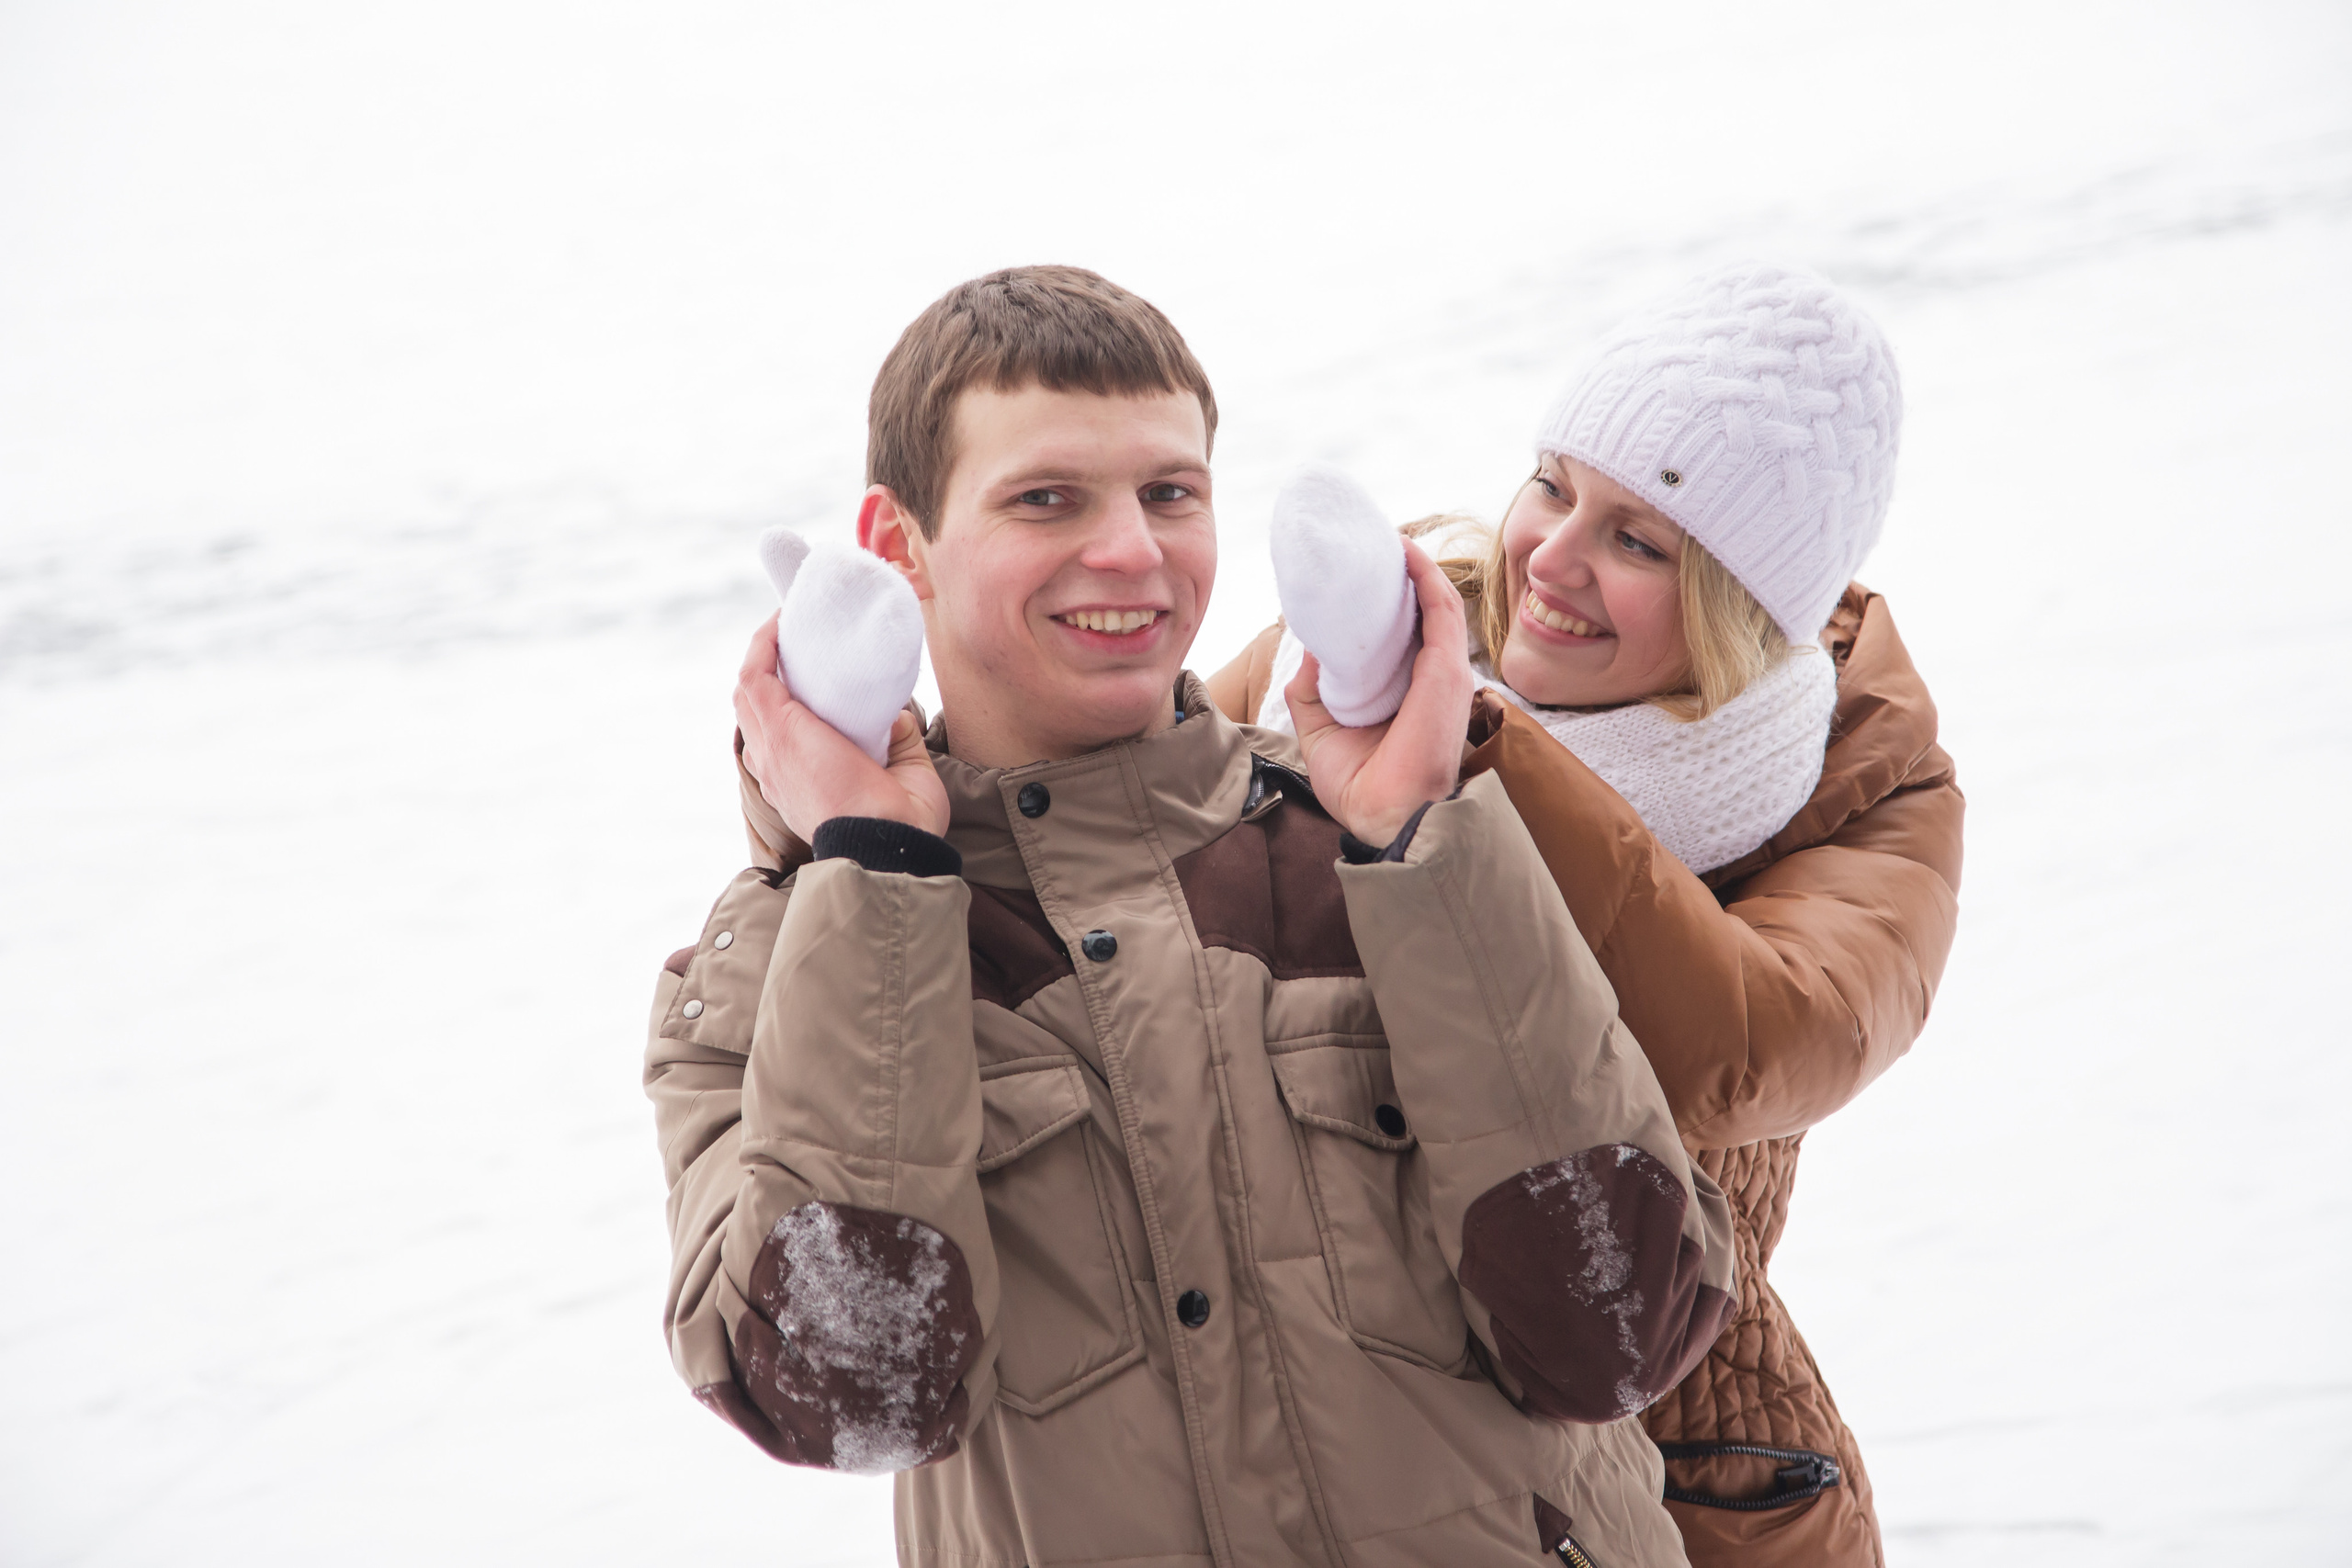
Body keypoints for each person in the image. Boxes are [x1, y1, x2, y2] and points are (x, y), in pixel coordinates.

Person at [645, 265, 1739, 1568]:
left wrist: (1421, 841)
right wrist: (876, 873)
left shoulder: (1405, 857)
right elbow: (853, 1397)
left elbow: (1618, 1332)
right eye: (1048, 498)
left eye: (1170, 493)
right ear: (897, 547)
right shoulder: (772, 973)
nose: (1132, 552)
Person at [1213, 263, 1963, 1568]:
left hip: (1649, 1457)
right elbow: (1125, 824)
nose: (1549, 559)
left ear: (1741, 608)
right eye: (1553, 485)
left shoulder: (1856, 786)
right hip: (1297, 1413)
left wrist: (1467, 753)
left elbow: (1745, 1041)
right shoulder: (1402, 619)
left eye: (1637, 540)